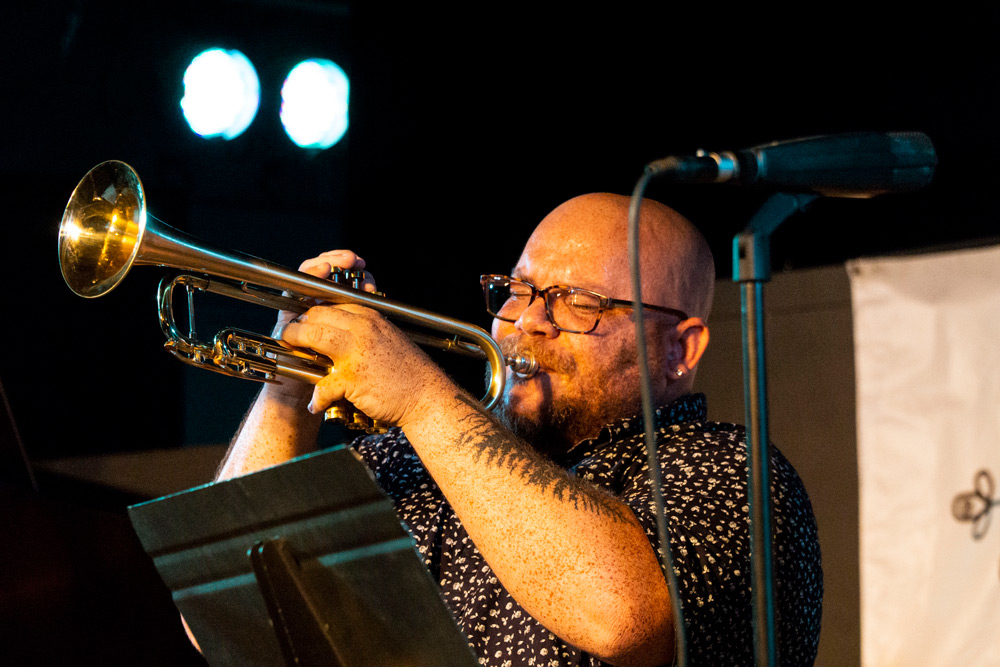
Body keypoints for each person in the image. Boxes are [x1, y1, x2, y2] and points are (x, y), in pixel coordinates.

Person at [215, 193, 823, 666]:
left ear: (678, 349)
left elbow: (621, 617)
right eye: (518, 291)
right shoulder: (407, 459)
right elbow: (230, 610)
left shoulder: (733, 473)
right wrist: (288, 382)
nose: (529, 321)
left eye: (579, 302)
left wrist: (425, 400)